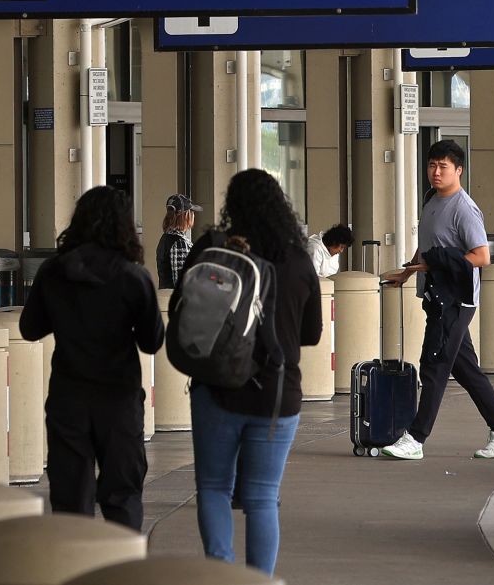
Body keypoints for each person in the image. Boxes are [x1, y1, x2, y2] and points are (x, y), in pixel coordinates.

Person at [185, 169, 323, 575]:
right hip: (277, 393)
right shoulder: (297, 260)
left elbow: (185, 310)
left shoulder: (212, 249)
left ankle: (222, 576)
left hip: (216, 388)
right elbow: (311, 334)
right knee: (263, 497)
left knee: (213, 488)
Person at [19, 186, 164, 530]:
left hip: (68, 396)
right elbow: (152, 341)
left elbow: (30, 328)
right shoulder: (133, 277)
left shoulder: (53, 272)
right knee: (123, 496)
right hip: (119, 398)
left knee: (70, 500)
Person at [379, 139, 494, 461]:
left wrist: (434, 264)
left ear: (459, 170)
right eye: (432, 165)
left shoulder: (464, 208)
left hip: (456, 300)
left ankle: (415, 438)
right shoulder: (431, 199)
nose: (436, 172)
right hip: (437, 296)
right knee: (466, 369)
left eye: (443, 166)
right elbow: (429, 245)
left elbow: (481, 256)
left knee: (434, 365)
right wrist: (409, 271)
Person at [155, 193, 201, 289]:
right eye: (191, 212)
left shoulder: (165, 237)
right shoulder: (179, 243)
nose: (193, 215)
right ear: (186, 216)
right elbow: (182, 284)